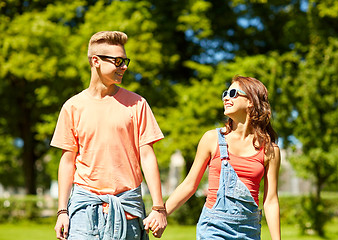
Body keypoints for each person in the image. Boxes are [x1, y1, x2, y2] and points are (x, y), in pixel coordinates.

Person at [51, 31, 167, 240]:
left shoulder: (137, 104)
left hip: (127, 212)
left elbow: (147, 157)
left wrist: (159, 208)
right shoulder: (72, 106)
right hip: (83, 213)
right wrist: (62, 211)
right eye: (118, 61)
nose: (124, 67)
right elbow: (67, 162)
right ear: (95, 61)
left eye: (125, 61)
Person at [159, 75, 281, 239]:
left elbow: (271, 200)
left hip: (249, 231)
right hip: (213, 229)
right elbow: (189, 184)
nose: (225, 98)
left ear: (251, 101)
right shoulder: (212, 139)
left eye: (233, 93)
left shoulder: (270, 150)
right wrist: (161, 213)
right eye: (225, 93)